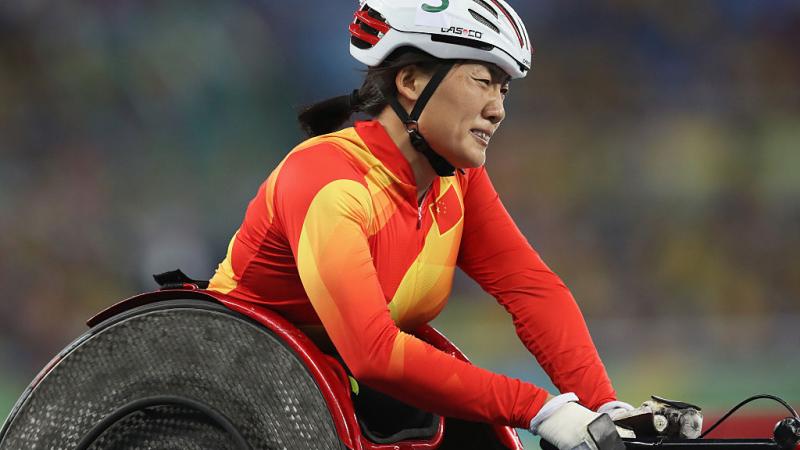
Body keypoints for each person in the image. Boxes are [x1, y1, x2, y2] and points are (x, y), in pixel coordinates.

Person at [208, 0, 633, 448]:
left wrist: (603, 405)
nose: (497, 110)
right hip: (233, 397)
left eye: (503, 90)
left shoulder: (457, 179)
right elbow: (373, 355)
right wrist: (540, 408)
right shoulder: (329, 182)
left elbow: (529, 288)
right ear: (410, 82)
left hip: (324, 390)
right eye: (483, 81)